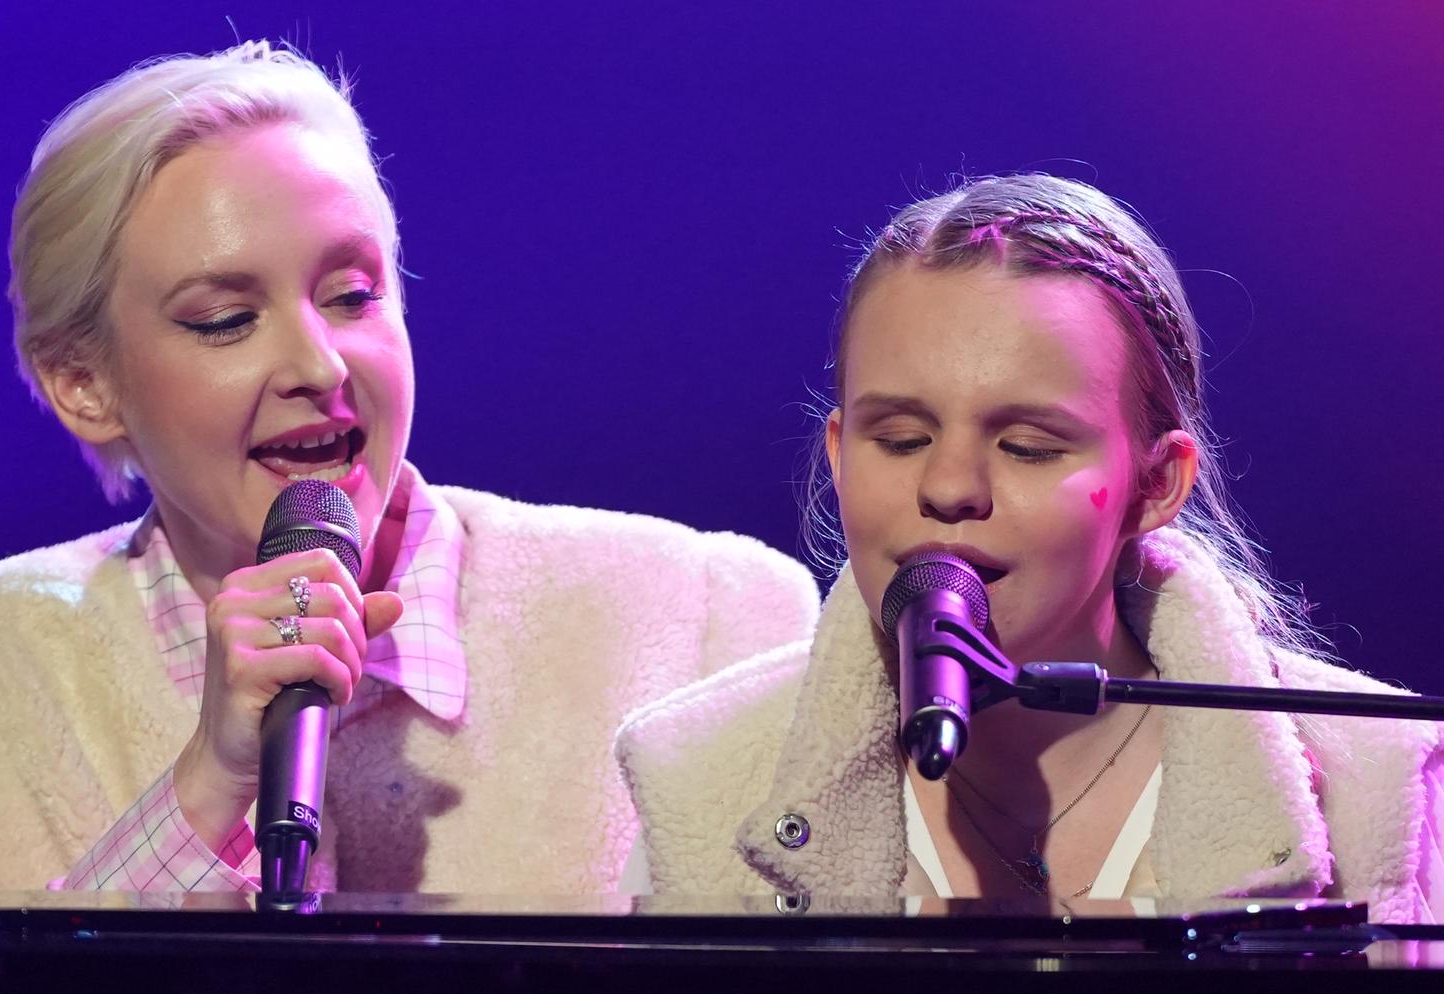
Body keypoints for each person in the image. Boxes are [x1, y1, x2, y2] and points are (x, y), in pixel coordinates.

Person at [0, 42, 819, 908]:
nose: (318, 366)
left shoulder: (703, 624)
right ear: (86, 383)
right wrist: (211, 781)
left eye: (351, 295)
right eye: (225, 319)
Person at [618, 174, 1443, 921]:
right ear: (837, 455)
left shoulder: (1382, 780)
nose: (948, 487)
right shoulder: (698, 776)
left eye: (1027, 447)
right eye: (900, 438)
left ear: (1154, 485)